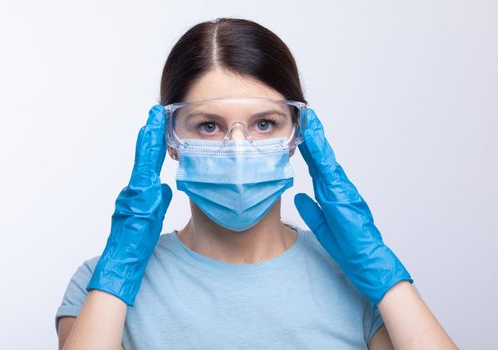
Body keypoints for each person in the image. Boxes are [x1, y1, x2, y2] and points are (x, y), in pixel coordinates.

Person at [55, 18, 458, 349]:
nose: (239, 149)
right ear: (170, 139)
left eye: (265, 124)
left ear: (297, 134)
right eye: (208, 126)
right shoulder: (100, 288)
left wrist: (387, 282)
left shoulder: (358, 283)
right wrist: (117, 272)